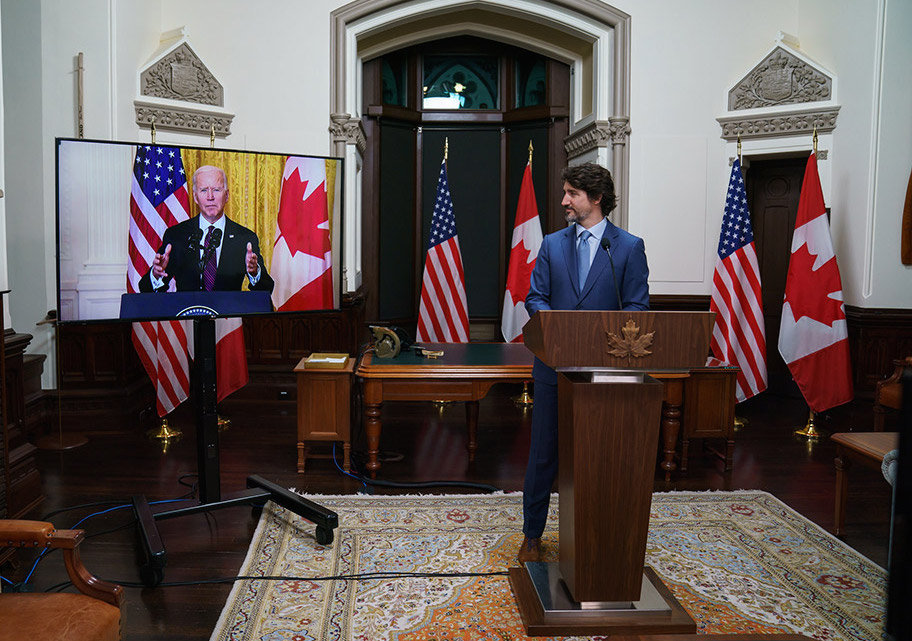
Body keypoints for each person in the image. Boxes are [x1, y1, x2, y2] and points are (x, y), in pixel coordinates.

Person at [518, 162, 650, 564]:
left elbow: (637, 307)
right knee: (543, 455)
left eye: (572, 194)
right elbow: (535, 297)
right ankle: (532, 535)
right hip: (553, 368)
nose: (564, 201)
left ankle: (594, 535)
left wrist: (601, 334)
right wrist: (557, 327)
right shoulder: (553, 244)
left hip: (605, 373)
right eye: (565, 192)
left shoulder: (627, 247)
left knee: (598, 459)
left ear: (596, 198)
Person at [139, 165, 274, 293]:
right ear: (196, 197)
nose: (210, 197)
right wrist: (156, 275)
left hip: (228, 316)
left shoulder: (244, 238)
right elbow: (145, 289)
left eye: (216, 190)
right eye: (204, 190)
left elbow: (267, 288)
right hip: (189, 316)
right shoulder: (176, 235)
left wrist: (254, 272)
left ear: (226, 195)